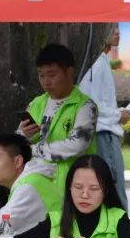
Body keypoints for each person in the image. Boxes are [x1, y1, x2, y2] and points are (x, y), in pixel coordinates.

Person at [18, 155, 130, 238]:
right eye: (78, 187)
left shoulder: (117, 217)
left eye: (94, 188)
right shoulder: (56, 219)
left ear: (106, 191)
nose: (85, 195)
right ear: (70, 188)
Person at [18, 43, 98, 193]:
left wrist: (34, 149)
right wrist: (23, 135)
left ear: (69, 72)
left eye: (52, 75)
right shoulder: (36, 104)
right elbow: (18, 142)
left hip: (73, 185)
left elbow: (77, 144)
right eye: (41, 75)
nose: (46, 81)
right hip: (38, 183)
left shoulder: (85, 106)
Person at [78, 30, 129, 208]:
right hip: (103, 135)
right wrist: (118, 115)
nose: (117, 32)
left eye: (117, 27)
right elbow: (90, 104)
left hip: (103, 133)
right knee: (113, 191)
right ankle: (120, 225)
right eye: (111, 28)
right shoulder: (96, 63)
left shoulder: (101, 60)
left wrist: (117, 112)